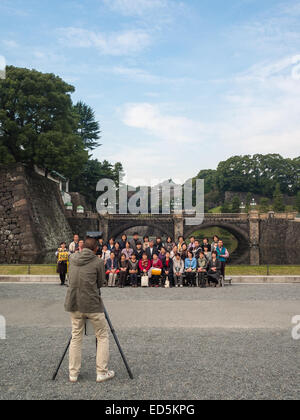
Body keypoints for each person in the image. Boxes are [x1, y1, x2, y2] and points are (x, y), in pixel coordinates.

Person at [64, 237, 114, 384]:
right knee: (102, 335)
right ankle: (101, 372)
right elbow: (100, 283)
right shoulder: (98, 262)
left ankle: (73, 373)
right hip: (92, 304)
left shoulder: (72, 258)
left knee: (76, 337)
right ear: (95, 249)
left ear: (82, 246)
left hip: (74, 303)